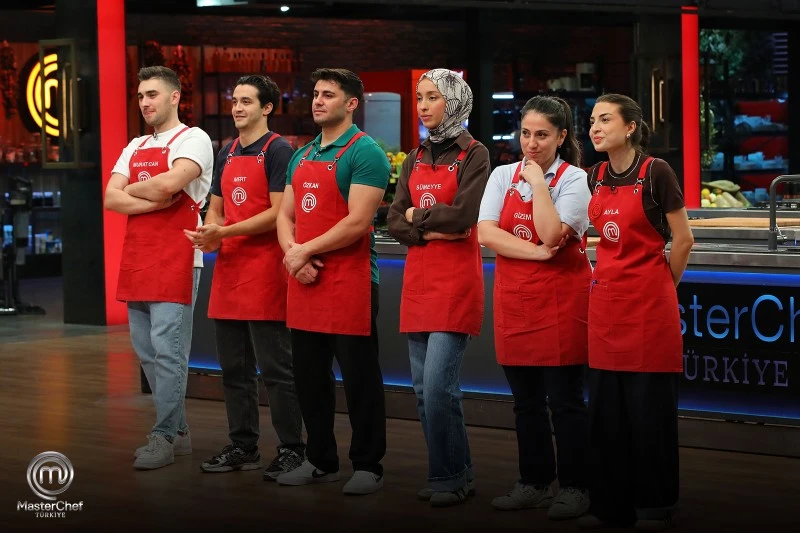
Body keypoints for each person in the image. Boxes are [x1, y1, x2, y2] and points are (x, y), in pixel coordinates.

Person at [578, 93, 693, 531]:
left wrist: (662, 286)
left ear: (630, 127)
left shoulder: (656, 172)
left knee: (649, 414)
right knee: (606, 414)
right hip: (606, 306)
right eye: (593, 120)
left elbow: (683, 239)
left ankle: (654, 506)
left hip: (648, 307)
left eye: (606, 119)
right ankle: (609, 506)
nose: (596, 127)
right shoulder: (593, 176)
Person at [183, 75, 305, 479]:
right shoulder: (227, 151)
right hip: (230, 273)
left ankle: (292, 448)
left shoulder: (279, 150)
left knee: (276, 370)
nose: (237, 108)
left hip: (266, 272)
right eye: (234, 100)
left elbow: (278, 213)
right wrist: (209, 231)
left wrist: (225, 232)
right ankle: (243, 445)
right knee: (233, 370)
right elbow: (216, 209)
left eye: (246, 101)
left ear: (267, 108)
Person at [275, 68, 390, 496]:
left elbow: (358, 222)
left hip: (350, 282)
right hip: (305, 280)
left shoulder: (366, 152)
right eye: (316, 94)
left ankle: (368, 465)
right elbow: (285, 215)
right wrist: (294, 256)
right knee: (309, 378)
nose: (318, 101)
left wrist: (303, 251)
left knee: (360, 380)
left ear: (351, 103)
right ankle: (320, 460)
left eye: (328, 94)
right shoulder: (301, 154)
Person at [477, 95, 592, 518]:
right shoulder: (501, 175)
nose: (531, 143)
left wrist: (540, 184)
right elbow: (486, 233)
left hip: (561, 302)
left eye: (542, 135)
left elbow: (551, 232)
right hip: (515, 302)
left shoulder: (574, 179)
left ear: (561, 137)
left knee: (565, 402)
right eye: (525, 133)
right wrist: (539, 254)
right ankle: (534, 482)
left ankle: (577, 487)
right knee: (525, 403)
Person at [387, 69, 490, 507]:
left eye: (433, 97)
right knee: (422, 391)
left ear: (455, 102)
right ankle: (454, 473)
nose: (423, 106)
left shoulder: (475, 154)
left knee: (439, 388)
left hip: (455, 284)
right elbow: (394, 218)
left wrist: (418, 218)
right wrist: (427, 227)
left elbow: (464, 215)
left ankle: (448, 478)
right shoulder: (414, 157)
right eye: (419, 98)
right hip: (418, 282)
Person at [104, 65, 213, 470]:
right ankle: (179, 431)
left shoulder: (194, 139)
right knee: (147, 352)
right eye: (140, 96)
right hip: (137, 257)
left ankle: (164, 436)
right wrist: (149, 197)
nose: (145, 102)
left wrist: (135, 191)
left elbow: (169, 185)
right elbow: (110, 198)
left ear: (174, 97)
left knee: (169, 352)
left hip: (177, 256)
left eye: (152, 94)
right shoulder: (134, 145)